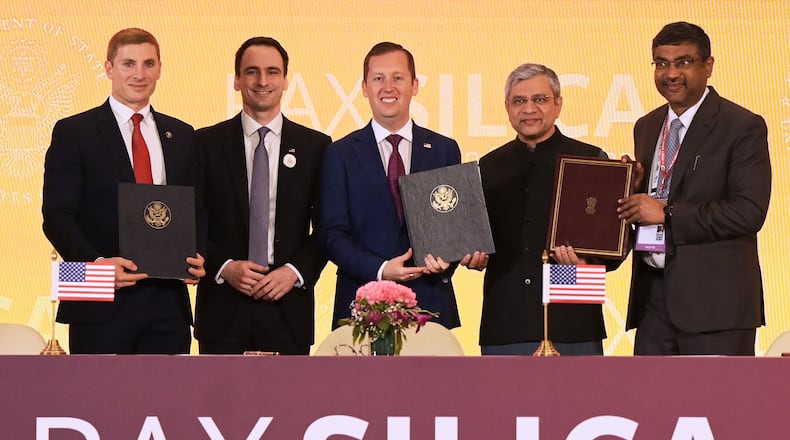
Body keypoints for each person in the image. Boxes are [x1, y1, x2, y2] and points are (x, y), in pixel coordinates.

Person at [42, 28, 205, 354]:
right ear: (108, 68)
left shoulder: (182, 134)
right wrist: (98, 266)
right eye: (128, 64)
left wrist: (200, 256)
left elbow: (195, 210)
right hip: (99, 300)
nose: (139, 74)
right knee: (99, 404)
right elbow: (56, 216)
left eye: (148, 64)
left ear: (160, 69)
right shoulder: (75, 132)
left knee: (167, 403)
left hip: (167, 304)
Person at [617, 22, 771, 355]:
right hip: (653, 304)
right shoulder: (646, 126)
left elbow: (748, 212)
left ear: (708, 66)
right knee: (650, 406)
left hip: (716, 308)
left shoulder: (742, 126)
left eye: (682, 62)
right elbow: (653, 200)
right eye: (661, 63)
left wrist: (666, 214)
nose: (670, 73)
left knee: (717, 406)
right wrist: (634, 187)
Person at [319, 42, 481, 330]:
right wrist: (381, 270)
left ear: (415, 85)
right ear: (365, 87)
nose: (388, 87)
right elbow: (332, 234)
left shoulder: (444, 149)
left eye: (398, 77)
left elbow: (453, 227)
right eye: (378, 78)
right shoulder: (339, 153)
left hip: (430, 306)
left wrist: (447, 261)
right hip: (361, 308)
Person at [194, 37, 329, 355]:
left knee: (289, 405)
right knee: (217, 406)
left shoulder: (316, 148)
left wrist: (294, 272)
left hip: (287, 306)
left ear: (285, 80)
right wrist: (224, 266)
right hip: (222, 306)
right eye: (251, 72)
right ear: (237, 80)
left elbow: (328, 227)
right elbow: (190, 220)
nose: (262, 81)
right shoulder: (204, 144)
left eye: (272, 71)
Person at [476, 63, 615, 356]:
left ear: (558, 104)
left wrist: (584, 262)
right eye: (519, 101)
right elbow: (475, 242)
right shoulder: (487, 167)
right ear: (507, 107)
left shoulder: (590, 161)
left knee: (580, 403)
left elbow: (612, 250)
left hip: (574, 324)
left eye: (539, 99)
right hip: (505, 324)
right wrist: (470, 253)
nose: (529, 109)